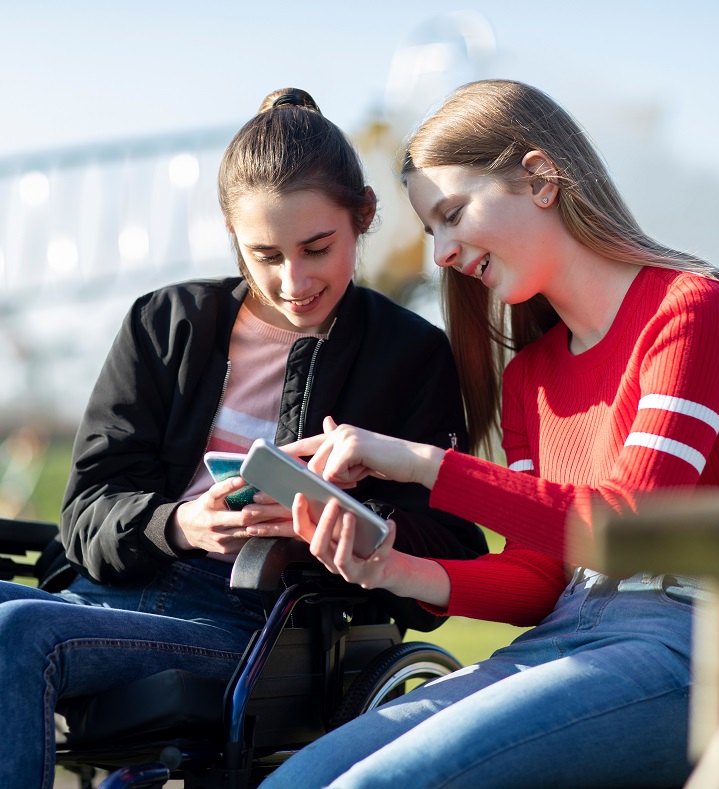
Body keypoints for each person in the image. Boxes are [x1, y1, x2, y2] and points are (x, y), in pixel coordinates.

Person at [262, 79, 719, 789]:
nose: (442, 253)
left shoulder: (691, 310)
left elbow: (629, 527)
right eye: (431, 231)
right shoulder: (529, 377)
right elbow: (542, 578)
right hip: (571, 632)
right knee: (295, 779)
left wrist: (425, 464)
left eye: (452, 215)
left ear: (539, 179)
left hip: (705, 644)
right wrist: (388, 566)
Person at [0, 87, 493, 789]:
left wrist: (337, 527)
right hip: (102, 593)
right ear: (232, 235)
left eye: (316, 248)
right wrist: (181, 523)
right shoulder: (163, 324)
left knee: (17, 634)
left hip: (258, 625)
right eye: (264, 254)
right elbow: (86, 514)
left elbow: (453, 552)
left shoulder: (409, 357)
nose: (293, 281)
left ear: (363, 218)